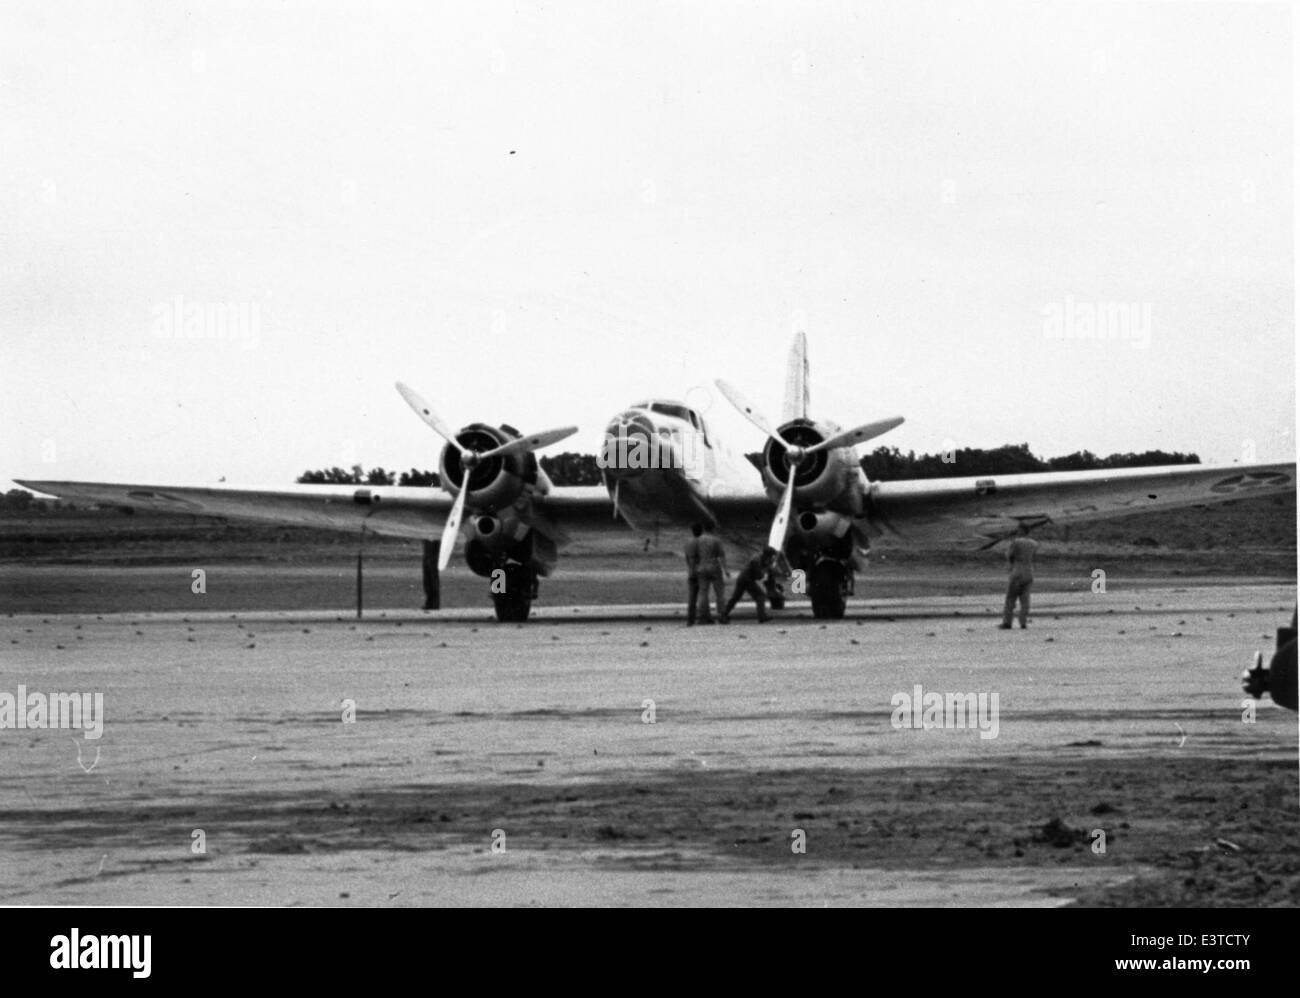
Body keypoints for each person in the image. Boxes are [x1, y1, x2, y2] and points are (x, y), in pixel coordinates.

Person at [999, 523, 1038, 629]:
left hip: (1017, 571)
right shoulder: (1034, 543)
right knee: (1025, 599)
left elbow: (1010, 555)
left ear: (1021, 531)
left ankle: (1007, 622)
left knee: (1011, 598)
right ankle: (1023, 622)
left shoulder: (1016, 542)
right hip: (1029, 571)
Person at [723, 547, 775, 623]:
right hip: (746, 579)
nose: (772, 557)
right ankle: (762, 616)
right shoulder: (756, 560)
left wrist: (767, 566)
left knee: (735, 598)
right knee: (760, 595)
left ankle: (723, 615)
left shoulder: (761, 558)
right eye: (771, 556)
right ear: (767, 555)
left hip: (744, 579)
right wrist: (765, 572)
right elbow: (758, 575)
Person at [694, 524, 728, 624]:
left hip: (701, 567)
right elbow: (721, 555)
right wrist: (725, 570)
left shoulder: (697, 541)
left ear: (704, 529)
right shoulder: (716, 540)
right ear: (713, 529)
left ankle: (703, 616)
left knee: (703, 593)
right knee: (719, 593)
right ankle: (722, 615)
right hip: (714, 567)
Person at [683, 523, 703, 626]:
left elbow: (686, 558)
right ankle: (703, 617)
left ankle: (690, 619)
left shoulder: (688, 543)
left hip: (691, 570)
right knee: (703, 595)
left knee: (692, 597)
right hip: (701, 570)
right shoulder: (702, 542)